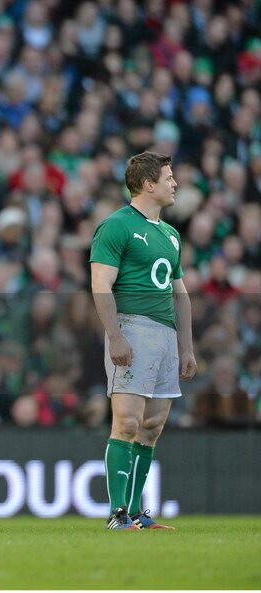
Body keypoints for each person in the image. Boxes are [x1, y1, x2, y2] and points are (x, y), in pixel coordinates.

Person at [89, 151, 198, 530]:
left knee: (151, 426)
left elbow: (180, 295)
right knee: (128, 422)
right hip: (132, 327)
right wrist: (115, 335)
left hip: (165, 335)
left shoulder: (170, 234)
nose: (175, 183)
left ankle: (136, 513)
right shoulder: (116, 226)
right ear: (148, 184)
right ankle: (117, 514)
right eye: (168, 178)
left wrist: (186, 346)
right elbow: (101, 284)